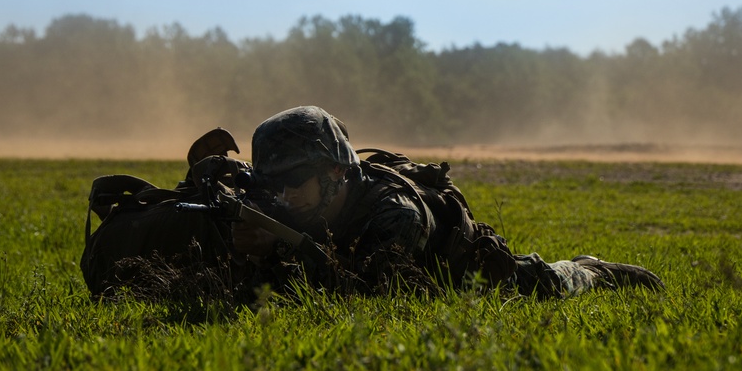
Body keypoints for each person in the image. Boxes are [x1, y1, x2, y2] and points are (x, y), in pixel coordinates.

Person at [229, 105, 663, 299]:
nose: (284, 194)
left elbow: (369, 291)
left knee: (548, 284)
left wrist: (278, 247)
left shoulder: (396, 213)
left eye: (295, 179)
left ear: (335, 172)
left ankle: (590, 269)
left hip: (474, 272)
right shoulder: (297, 203)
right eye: (274, 184)